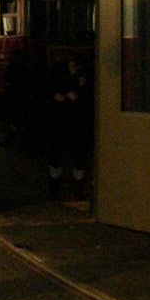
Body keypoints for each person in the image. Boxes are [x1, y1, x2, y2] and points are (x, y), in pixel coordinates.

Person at [46, 55, 93, 200]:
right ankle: (64, 190)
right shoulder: (78, 78)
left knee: (72, 159)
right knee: (63, 158)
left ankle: (65, 190)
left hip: (70, 124)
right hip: (68, 124)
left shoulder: (72, 78)